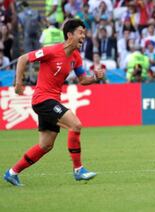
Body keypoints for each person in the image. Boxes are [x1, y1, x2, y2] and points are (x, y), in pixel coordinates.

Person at [3, 19, 104, 187]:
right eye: (81, 33)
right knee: (75, 125)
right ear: (70, 35)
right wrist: (19, 83)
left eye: (84, 33)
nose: (83, 36)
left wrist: (95, 77)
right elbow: (22, 59)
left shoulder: (76, 57)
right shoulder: (52, 51)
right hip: (42, 99)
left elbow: (83, 80)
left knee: (45, 145)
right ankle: (78, 170)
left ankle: (12, 173)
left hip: (52, 100)